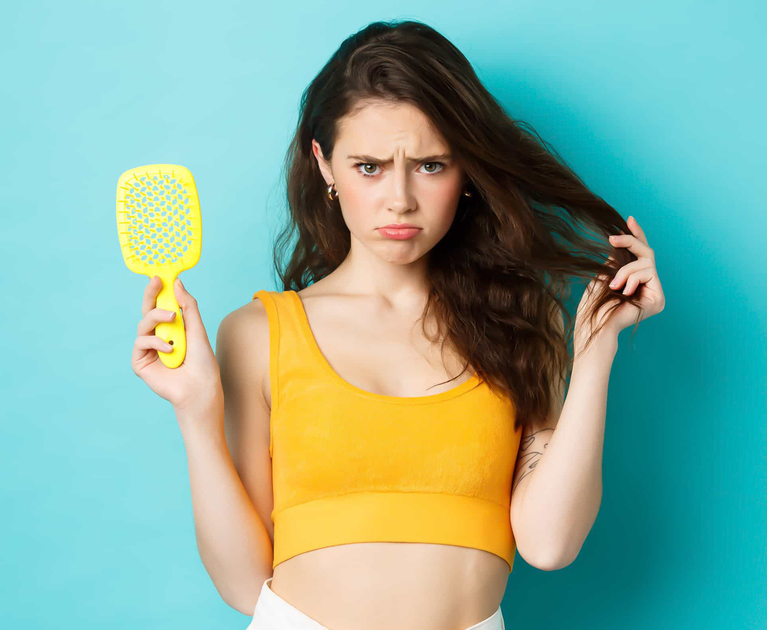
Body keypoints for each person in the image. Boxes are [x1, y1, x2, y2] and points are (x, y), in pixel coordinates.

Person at [130, 19, 665, 630]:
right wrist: (196, 412)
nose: (401, 199)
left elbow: (549, 544)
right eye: (369, 167)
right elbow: (243, 585)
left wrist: (596, 351)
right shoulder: (258, 333)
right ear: (324, 164)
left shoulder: (519, 321)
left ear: (467, 171)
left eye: (432, 165)